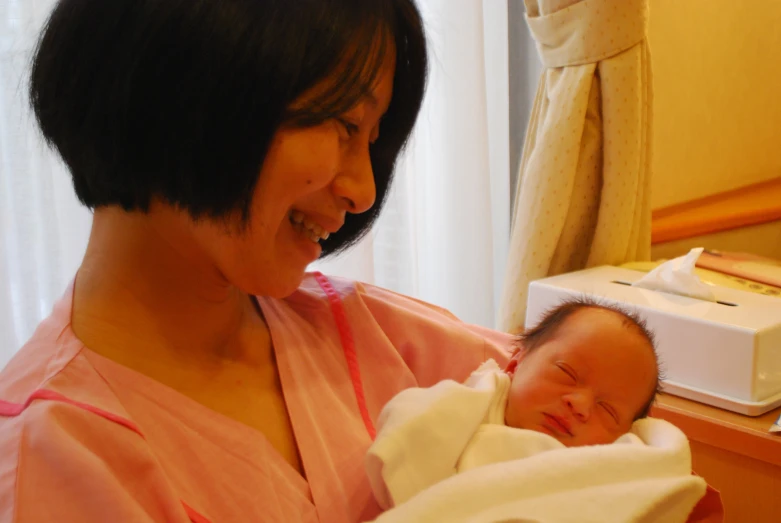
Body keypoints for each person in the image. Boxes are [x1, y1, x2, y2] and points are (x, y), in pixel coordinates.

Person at [0, 1, 516, 522]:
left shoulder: (370, 332)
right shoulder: (53, 455)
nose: (363, 190)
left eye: (372, 140)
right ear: (195, 81)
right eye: (345, 124)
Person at [364, 299, 711, 521]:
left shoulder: (613, 464)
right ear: (515, 365)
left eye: (608, 410)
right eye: (567, 373)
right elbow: (413, 432)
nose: (580, 405)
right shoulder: (467, 407)